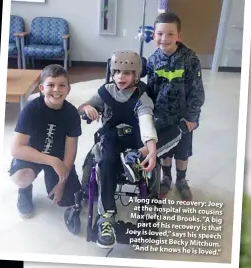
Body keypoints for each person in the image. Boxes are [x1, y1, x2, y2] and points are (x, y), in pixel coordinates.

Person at [78, 50, 158, 249]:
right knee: (105, 160)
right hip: (111, 139)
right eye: (117, 72)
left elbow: (146, 122)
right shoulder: (105, 91)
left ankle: (133, 158)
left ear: (136, 75)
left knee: (140, 148)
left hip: (135, 139)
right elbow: (83, 107)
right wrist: (87, 108)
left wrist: (152, 149)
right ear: (112, 72)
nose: (121, 77)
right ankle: (106, 218)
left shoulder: (143, 95)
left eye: (127, 73)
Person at [122, 11, 205, 201]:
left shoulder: (190, 59)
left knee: (182, 151)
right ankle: (166, 178)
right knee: (166, 148)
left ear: (179, 36)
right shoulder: (152, 60)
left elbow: (197, 91)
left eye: (169, 34)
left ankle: (181, 180)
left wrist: (192, 117)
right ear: (153, 36)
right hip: (160, 115)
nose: (164, 38)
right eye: (160, 34)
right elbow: (149, 88)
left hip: (183, 118)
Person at [9, 64, 82, 218]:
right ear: (42, 88)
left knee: (68, 199)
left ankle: (56, 180)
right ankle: (24, 191)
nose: (56, 90)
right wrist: (51, 160)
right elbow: (16, 149)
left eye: (62, 85)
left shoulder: (72, 114)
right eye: (51, 85)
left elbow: (71, 151)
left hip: (59, 157)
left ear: (68, 89)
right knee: (21, 177)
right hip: (33, 155)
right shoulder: (31, 110)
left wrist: (61, 184)